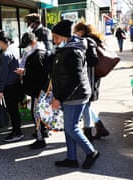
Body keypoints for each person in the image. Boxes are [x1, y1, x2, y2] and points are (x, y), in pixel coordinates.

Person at [51, 20, 99, 169]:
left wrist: (59, 97)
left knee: (71, 127)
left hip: (75, 96)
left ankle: (91, 152)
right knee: (69, 127)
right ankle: (71, 159)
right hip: (69, 95)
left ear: (65, 37)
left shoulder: (73, 52)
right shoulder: (65, 49)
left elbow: (74, 80)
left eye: (56, 37)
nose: (54, 40)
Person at [73, 22, 110, 141]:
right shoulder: (94, 39)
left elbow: (91, 61)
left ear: (81, 31)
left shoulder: (87, 41)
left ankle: (88, 133)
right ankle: (100, 128)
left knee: (86, 104)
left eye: (76, 32)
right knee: (87, 105)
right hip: (93, 76)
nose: (75, 34)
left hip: (90, 77)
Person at [15, 32, 50, 149]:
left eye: (26, 45)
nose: (25, 48)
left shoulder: (37, 55)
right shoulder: (40, 52)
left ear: (33, 43)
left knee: (36, 113)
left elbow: (41, 74)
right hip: (40, 89)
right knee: (39, 113)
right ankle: (42, 133)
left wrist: (24, 72)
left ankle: (40, 138)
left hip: (38, 90)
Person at [0, 30, 24, 142]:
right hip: (16, 84)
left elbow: (3, 75)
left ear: (1, 42)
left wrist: (0, 90)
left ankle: (17, 132)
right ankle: (17, 130)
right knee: (14, 110)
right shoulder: (13, 50)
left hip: (9, 86)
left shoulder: (5, 55)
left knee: (12, 110)